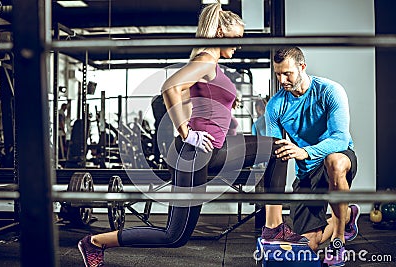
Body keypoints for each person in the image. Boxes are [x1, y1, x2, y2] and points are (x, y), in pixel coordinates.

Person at [77, 4, 304, 266]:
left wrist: (228, 100)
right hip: (196, 153)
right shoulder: (206, 60)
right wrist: (186, 132)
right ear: (220, 32)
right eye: (237, 37)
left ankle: (273, 226)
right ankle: (95, 242)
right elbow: (170, 87)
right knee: (174, 236)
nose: (240, 44)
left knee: (277, 148)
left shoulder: (212, 65)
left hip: (213, 149)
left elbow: (191, 97)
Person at [262, 47, 360, 266]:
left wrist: (305, 151)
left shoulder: (329, 91)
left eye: (287, 73)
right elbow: (276, 153)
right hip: (307, 171)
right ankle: (344, 218)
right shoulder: (276, 106)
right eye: (278, 74)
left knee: (333, 161)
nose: (282, 79)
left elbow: (340, 139)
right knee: (308, 246)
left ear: (302, 67)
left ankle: (338, 241)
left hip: (337, 158)